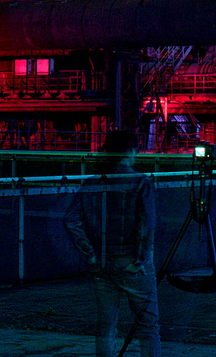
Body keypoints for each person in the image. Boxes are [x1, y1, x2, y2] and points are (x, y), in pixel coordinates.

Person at [63, 130, 160, 357]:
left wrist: (91, 254)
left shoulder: (93, 182)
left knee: (106, 326)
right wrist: (140, 260)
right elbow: (146, 227)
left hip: (103, 263)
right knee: (148, 326)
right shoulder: (141, 182)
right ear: (129, 151)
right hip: (132, 264)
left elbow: (71, 220)